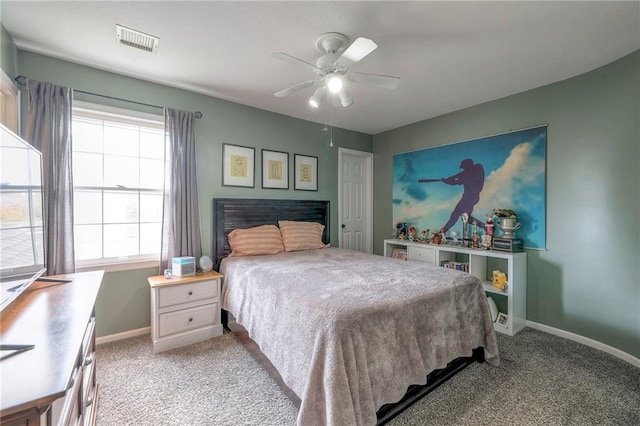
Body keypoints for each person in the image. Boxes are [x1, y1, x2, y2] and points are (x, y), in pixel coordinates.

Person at [440, 158, 485, 233]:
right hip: (470, 197)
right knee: (466, 218)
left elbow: (461, 177)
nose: (463, 169)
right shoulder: (469, 173)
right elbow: (460, 176)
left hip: (470, 196)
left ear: (468, 165)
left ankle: (443, 231)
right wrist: (449, 180)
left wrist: (448, 180)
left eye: (464, 167)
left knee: (456, 214)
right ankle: (485, 226)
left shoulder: (477, 169)